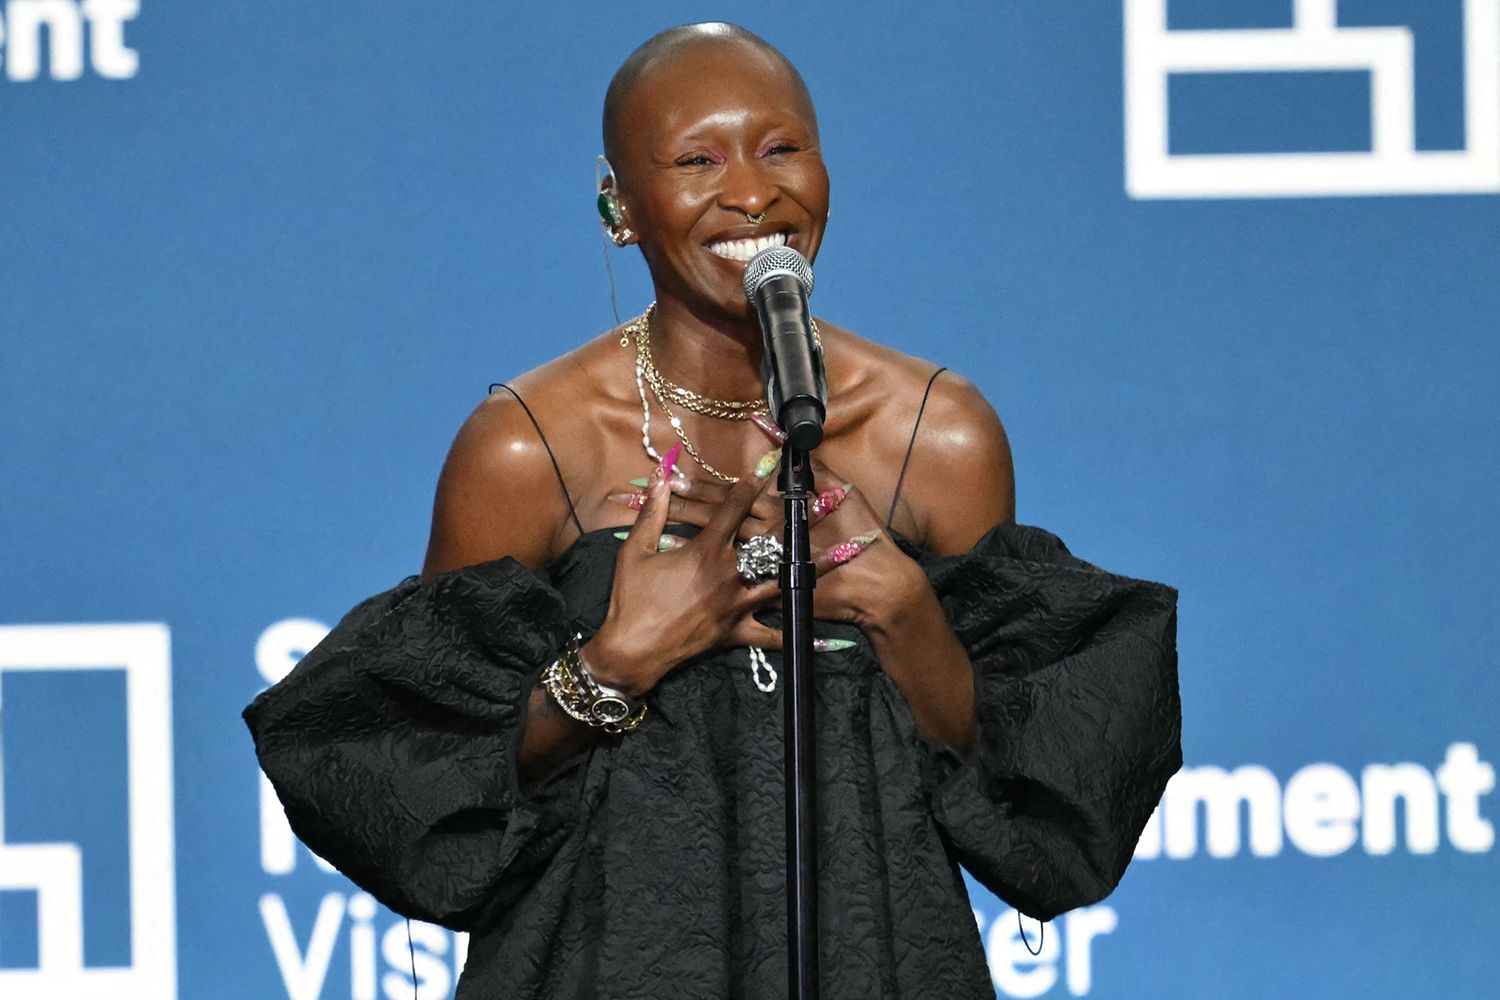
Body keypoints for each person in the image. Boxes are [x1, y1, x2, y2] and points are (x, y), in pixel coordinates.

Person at [245, 22, 1180, 1000]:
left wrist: (908, 619)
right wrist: (611, 663)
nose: (752, 193)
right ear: (621, 207)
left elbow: (1024, 793)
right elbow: (415, 774)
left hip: (875, 960)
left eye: (782, 148)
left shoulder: (936, 438)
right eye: (698, 159)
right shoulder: (531, 449)